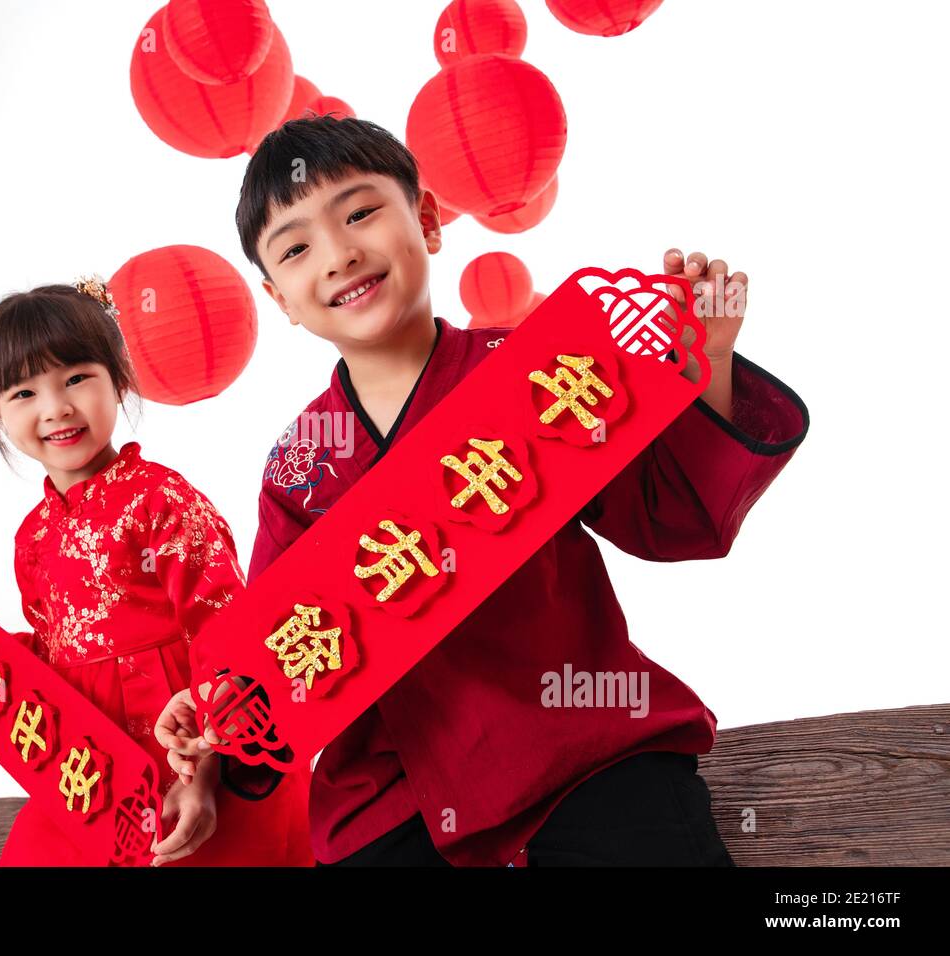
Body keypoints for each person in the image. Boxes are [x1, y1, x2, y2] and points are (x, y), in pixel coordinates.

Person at [161, 115, 809, 866]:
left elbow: (671, 514)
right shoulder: (300, 465)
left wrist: (708, 361)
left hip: (577, 747)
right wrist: (210, 729)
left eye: (362, 213)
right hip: (389, 800)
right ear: (279, 297)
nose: (339, 255)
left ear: (428, 220)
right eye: (298, 247)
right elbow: (275, 648)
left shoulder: (535, 367)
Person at [0, 275, 310, 866]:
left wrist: (205, 765)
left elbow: (228, 632)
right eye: (23, 393)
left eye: (77, 378)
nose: (56, 408)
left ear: (120, 381)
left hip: (194, 741)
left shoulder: (161, 499)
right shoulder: (32, 538)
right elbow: (52, 661)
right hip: (92, 766)